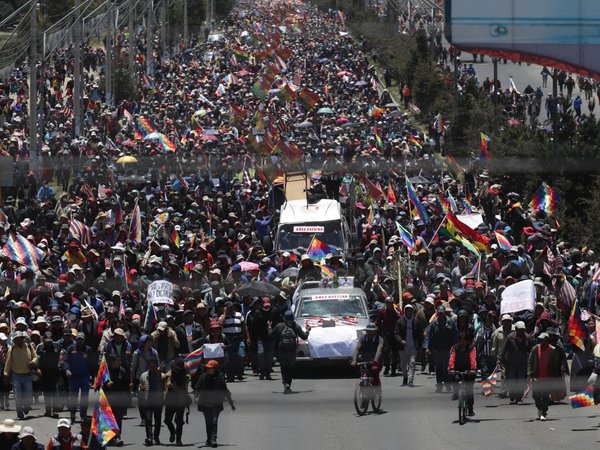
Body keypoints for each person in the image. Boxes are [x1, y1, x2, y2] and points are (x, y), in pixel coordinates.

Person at [194, 360, 235, 448]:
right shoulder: (203, 377)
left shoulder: (220, 378)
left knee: (214, 421)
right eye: (207, 368)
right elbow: (197, 388)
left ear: (215, 369)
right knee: (208, 422)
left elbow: (225, 390)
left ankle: (213, 439)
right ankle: (208, 439)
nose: (208, 369)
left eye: (210, 368)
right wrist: (196, 397)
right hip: (205, 404)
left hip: (216, 403)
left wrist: (231, 402)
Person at [269, 310, 311, 393]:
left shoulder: (280, 326)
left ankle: (285, 384)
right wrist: (308, 330)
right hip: (292, 351)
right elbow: (304, 337)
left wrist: (269, 327)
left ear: (284, 318)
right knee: (290, 369)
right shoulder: (296, 326)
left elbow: (271, 336)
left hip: (281, 351)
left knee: (284, 368)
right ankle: (288, 383)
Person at [3, 331, 37, 419]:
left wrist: (33, 362)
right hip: (16, 376)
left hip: (27, 375)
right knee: (17, 395)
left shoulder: (29, 346)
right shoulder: (12, 349)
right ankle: (19, 412)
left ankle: (26, 407)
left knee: (28, 395)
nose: (18, 341)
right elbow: (8, 362)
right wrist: (6, 373)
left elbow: (36, 357)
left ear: (23, 339)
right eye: (16, 340)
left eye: (19, 339)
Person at [424, 305, 458, 393]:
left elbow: (455, 334)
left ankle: (447, 384)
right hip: (437, 349)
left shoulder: (450, 321)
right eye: (439, 313)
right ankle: (439, 385)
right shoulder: (433, 323)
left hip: (448, 348)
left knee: (446, 367)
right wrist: (427, 347)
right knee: (438, 368)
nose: (440, 315)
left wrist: (456, 346)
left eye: (442, 313)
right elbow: (428, 336)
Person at [499, 321, 531, 404]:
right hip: (511, 363)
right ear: (516, 329)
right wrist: (499, 359)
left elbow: (531, 350)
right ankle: (512, 394)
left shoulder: (527, 338)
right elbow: (504, 349)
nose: (521, 331)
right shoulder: (510, 337)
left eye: (522, 330)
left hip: (522, 363)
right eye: (519, 329)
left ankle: (519, 397)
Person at [130, 335, 159, 426]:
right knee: (141, 400)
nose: (151, 343)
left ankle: (149, 417)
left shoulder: (154, 352)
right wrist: (131, 381)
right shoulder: (137, 353)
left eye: (151, 341)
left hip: (152, 378)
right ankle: (143, 418)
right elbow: (133, 368)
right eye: (148, 341)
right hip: (141, 379)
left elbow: (158, 365)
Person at [139, 358, 168, 446]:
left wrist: (160, 372)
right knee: (148, 420)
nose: (152, 367)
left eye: (154, 365)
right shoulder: (143, 376)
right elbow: (140, 387)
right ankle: (149, 437)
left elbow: (165, 386)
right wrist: (141, 388)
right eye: (150, 365)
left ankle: (156, 437)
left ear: (157, 366)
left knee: (158, 420)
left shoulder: (162, 375)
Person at [394, 303, 424, 386]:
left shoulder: (416, 322)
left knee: (412, 362)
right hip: (403, 347)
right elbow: (396, 333)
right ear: (405, 311)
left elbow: (420, 335)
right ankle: (405, 376)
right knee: (403, 363)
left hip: (413, 347)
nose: (409, 312)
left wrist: (420, 346)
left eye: (410, 311)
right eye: (407, 310)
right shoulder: (400, 322)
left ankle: (410, 380)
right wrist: (400, 340)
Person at [65, 332, 92, 423]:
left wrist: (93, 376)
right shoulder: (70, 348)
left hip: (85, 376)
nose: (79, 341)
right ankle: (72, 414)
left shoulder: (88, 349)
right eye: (78, 339)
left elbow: (92, 363)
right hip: (73, 377)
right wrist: (67, 369)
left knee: (84, 397)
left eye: (81, 339)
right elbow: (65, 361)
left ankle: (83, 415)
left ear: (84, 340)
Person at [219, 301, 250, 382]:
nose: (231, 308)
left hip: (238, 339)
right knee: (228, 360)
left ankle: (239, 373)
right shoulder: (223, 316)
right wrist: (225, 314)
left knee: (241, 356)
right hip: (228, 340)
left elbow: (244, 326)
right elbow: (220, 324)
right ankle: (230, 376)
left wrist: (248, 338)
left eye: (232, 307)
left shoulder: (239, 315)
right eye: (228, 307)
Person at [448, 332, 477, 416]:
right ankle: (456, 393)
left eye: (464, 341)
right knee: (455, 379)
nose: (462, 343)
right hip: (457, 368)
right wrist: (451, 369)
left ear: (467, 341)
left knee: (469, 390)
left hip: (469, 370)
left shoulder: (471, 348)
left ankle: (470, 409)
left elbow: (472, 359)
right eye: (461, 341)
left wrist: (472, 369)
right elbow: (452, 358)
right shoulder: (454, 348)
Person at [164, 358, 191, 446]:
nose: (175, 369)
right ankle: (172, 432)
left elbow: (184, 390)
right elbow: (164, 378)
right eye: (174, 367)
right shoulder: (170, 373)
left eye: (177, 368)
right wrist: (167, 381)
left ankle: (178, 440)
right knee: (167, 420)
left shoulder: (185, 376)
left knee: (179, 422)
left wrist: (173, 386)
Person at [103, 354, 128, 447]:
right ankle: (108, 438)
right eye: (118, 361)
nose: (119, 362)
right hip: (107, 400)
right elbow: (98, 385)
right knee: (108, 420)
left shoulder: (122, 371)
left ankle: (117, 436)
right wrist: (106, 385)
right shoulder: (106, 372)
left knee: (118, 419)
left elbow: (126, 385)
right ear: (112, 362)